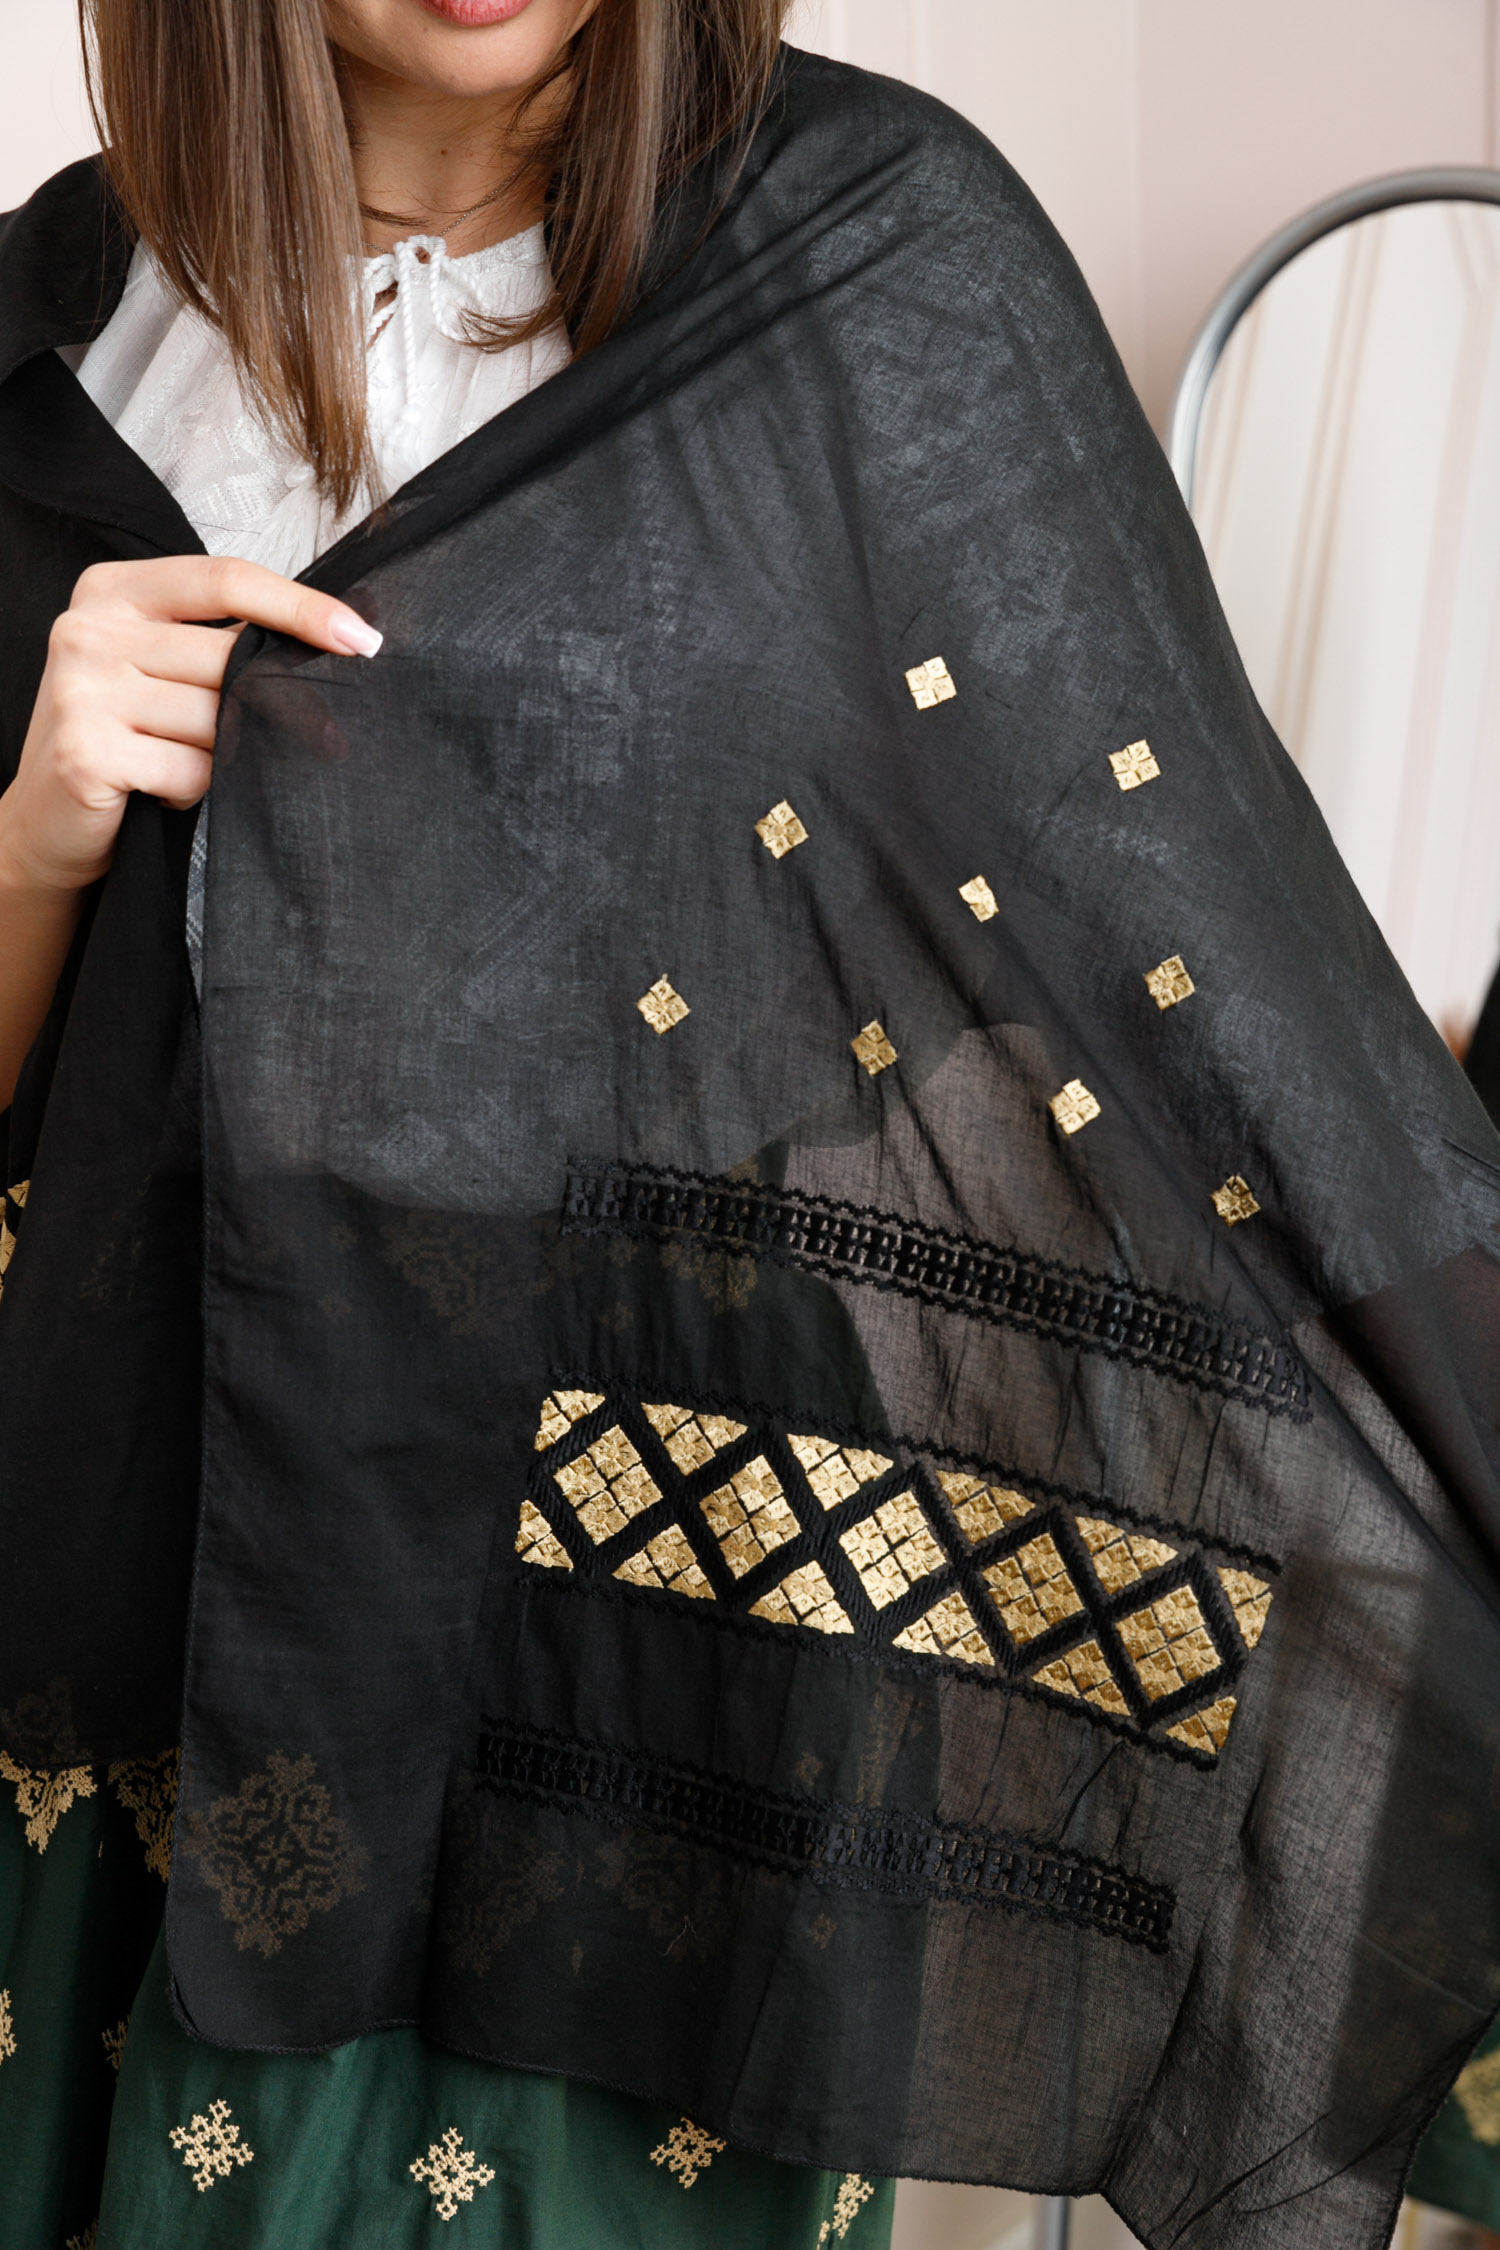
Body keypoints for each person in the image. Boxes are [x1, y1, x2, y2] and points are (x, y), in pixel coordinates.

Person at [4, 5, 1500, 2249]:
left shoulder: (864, 256)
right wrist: (36, 836)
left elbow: (1168, 943)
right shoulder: (60, 336)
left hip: (655, 1594)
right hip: (131, 1566)